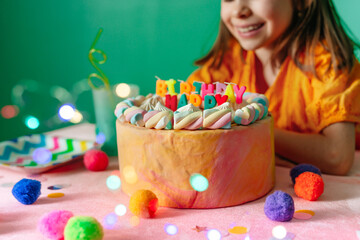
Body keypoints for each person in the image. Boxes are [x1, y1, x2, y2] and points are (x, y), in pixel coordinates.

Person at [187, 0, 360, 175]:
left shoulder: (325, 63)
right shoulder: (226, 64)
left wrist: (252, 131)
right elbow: (183, 120)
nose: (239, 11)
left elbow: (337, 157)